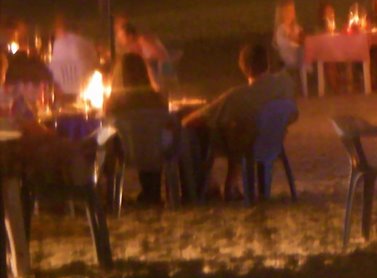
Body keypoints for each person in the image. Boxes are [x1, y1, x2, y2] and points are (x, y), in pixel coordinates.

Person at [182, 43, 295, 200]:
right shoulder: (284, 83)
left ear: (245, 68)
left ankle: (207, 185)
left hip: (246, 146)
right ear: (267, 62)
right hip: (274, 141)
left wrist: (185, 117)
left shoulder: (238, 97)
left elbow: (195, 119)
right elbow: (293, 115)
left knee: (205, 130)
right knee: (238, 127)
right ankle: (232, 184)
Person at [106, 52, 170, 204]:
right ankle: (151, 191)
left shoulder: (114, 103)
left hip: (125, 153)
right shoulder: (157, 99)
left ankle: (109, 192)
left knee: (104, 137)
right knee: (150, 138)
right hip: (157, 151)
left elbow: (107, 127)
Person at [49, 17, 98, 97]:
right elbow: (96, 67)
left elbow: (52, 71)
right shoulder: (88, 43)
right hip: (85, 91)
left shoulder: (58, 44)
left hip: (63, 93)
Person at [273, 0, 304, 72]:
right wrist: (294, 41)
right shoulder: (281, 29)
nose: (292, 13)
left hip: (299, 54)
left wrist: (300, 39)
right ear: (282, 13)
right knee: (302, 51)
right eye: (289, 10)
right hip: (288, 56)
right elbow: (283, 44)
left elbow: (302, 39)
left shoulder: (297, 27)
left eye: (293, 10)